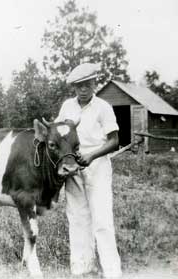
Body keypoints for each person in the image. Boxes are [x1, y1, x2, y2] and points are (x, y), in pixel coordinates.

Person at [55, 63, 122, 278]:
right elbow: (59, 134)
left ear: (94, 83)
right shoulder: (67, 106)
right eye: (79, 86)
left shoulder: (103, 107)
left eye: (87, 85)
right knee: (77, 217)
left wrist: (92, 156)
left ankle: (111, 271)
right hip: (73, 168)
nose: (83, 89)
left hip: (98, 165)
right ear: (73, 87)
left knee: (101, 219)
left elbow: (115, 141)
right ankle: (82, 268)